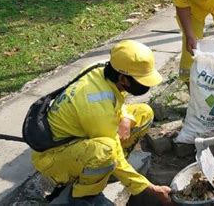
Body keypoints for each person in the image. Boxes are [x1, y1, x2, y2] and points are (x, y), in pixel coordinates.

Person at [32, 40, 172, 205]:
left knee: (143, 113)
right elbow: (111, 149)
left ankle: (105, 171)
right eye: (142, 80)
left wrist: (126, 117)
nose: (145, 85)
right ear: (123, 79)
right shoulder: (96, 107)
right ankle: (84, 196)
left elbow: (118, 101)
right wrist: (148, 188)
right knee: (105, 151)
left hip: (85, 136)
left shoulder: (104, 68)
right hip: (56, 157)